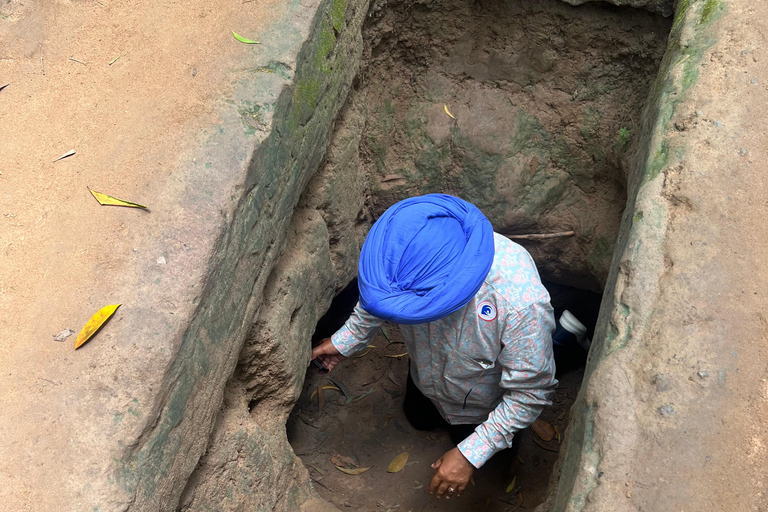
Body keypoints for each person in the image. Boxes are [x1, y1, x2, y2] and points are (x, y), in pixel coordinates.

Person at [311, 194, 557, 500]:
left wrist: (470, 454)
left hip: (481, 405)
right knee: (419, 417)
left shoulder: (519, 304)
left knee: (486, 456)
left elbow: (530, 392)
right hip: (425, 375)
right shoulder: (414, 241)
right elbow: (384, 291)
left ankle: (568, 344)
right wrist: (346, 340)